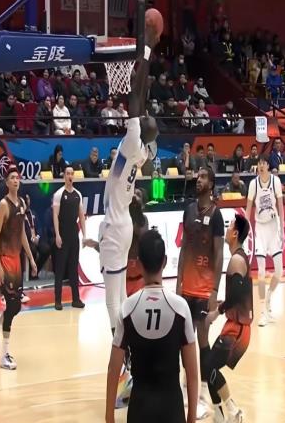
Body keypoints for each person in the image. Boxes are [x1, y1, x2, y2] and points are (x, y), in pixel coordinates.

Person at [99, 23, 160, 405]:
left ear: (143, 129)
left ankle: (126, 367)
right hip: (122, 224)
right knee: (120, 299)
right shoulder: (141, 149)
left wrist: (146, 51)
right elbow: (143, 96)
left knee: (112, 305)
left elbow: (136, 95)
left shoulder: (134, 139)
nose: (142, 114)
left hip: (115, 226)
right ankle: (133, 368)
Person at [106, 229, 198, 423]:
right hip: (172, 410)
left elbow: (113, 368)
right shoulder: (181, 308)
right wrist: (191, 417)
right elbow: (191, 371)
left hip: (139, 410)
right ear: (164, 262)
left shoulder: (127, 308)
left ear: (139, 264)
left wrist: (109, 417)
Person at [176, 166, 224, 419]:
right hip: (187, 289)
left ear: (212, 184)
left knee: (203, 341)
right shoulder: (189, 210)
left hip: (205, 290)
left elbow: (219, 254)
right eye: (198, 176)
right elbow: (184, 247)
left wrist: (215, 289)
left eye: (204, 177)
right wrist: (178, 282)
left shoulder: (216, 215)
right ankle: (187, 390)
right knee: (185, 341)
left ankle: (204, 394)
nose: (198, 179)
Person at [205, 214, 253, 423]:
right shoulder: (239, 258)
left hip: (238, 327)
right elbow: (237, 294)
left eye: (230, 226)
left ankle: (232, 411)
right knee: (209, 366)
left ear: (235, 234)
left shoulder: (236, 260)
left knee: (209, 366)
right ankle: (220, 414)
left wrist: (217, 312)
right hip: (236, 324)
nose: (227, 228)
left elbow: (236, 296)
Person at [0, 165, 37, 369]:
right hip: (5, 260)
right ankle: (5, 355)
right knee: (11, 305)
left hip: (17, 260)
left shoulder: (21, 203)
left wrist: (31, 259)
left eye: (17, 177)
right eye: (12, 178)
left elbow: (21, 234)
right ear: (6, 182)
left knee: (16, 306)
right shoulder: (4, 205)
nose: (15, 180)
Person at [245, 155, 284, 327]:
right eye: (259, 164)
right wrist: (245, 229)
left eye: (263, 163)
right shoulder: (253, 184)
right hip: (260, 228)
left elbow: (281, 206)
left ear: (268, 166)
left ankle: (268, 299)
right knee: (260, 273)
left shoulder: (276, 181)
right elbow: (248, 209)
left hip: (274, 227)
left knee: (279, 272)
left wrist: (282, 228)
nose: (261, 166)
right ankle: (262, 312)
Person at [52, 166, 86, 310]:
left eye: (72, 174)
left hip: (73, 234)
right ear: (64, 176)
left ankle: (76, 299)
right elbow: (55, 215)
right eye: (67, 174)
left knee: (73, 267)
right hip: (63, 234)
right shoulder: (59, 194)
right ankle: (57, 300)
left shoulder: (78, 194)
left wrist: (84, 235)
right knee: (60, 268)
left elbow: (81, 216)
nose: (70, 176)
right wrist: (57, 235)